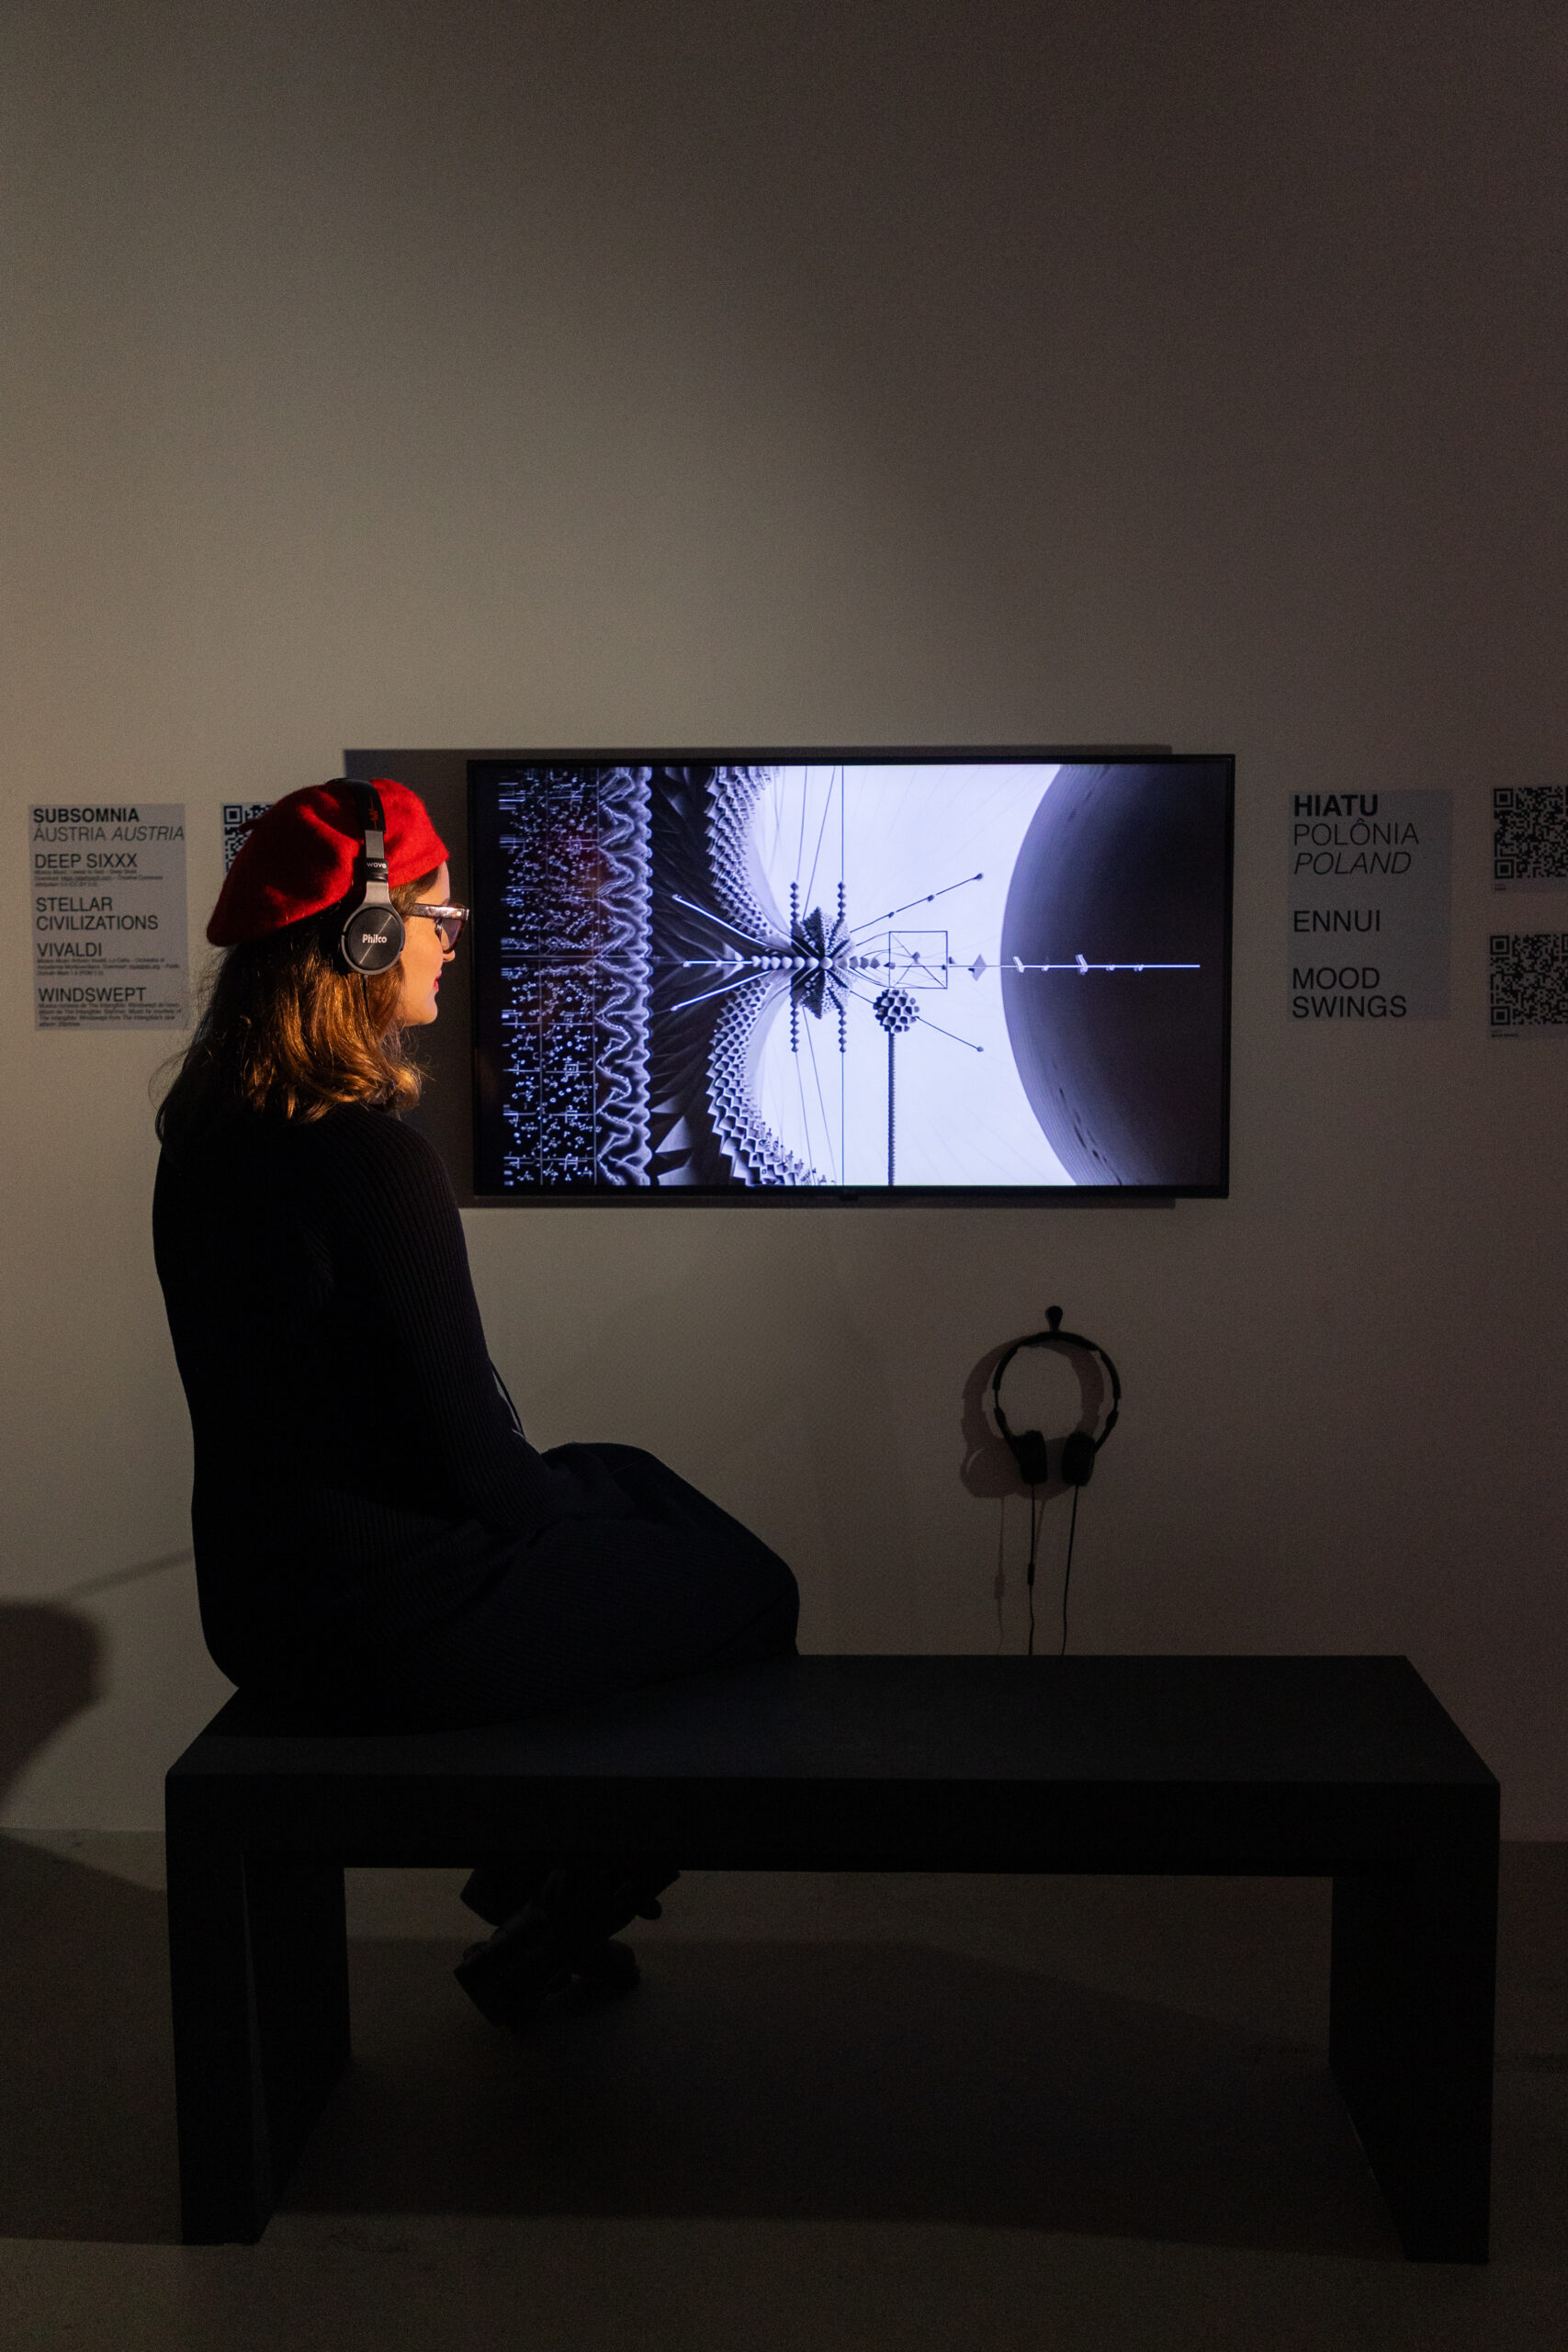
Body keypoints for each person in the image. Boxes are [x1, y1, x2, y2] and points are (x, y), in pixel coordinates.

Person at [152, 777, 799, 2026]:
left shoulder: (208, 1139)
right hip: (381, 1622)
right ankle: (554, 1908)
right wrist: (580, 1510)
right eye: (438, 918)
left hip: (262, 1602)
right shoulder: (371, 1162)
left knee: (624, 1474)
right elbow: (483, 1468)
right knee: (755, 1591)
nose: (454, 943)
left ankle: (525, 1870)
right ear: (366, 939)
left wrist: (589, 1491)